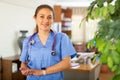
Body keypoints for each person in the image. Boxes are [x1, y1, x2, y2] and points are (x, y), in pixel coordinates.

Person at [19, 4, 76, 80]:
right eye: (42, 16)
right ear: (35, 18)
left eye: (49, 17)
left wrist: (43, 72)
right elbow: (24, 62)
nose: (46, 20)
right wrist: (24, 68)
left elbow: (67, 62)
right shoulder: (27, 40)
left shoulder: (62, 38)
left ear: (53, 20)